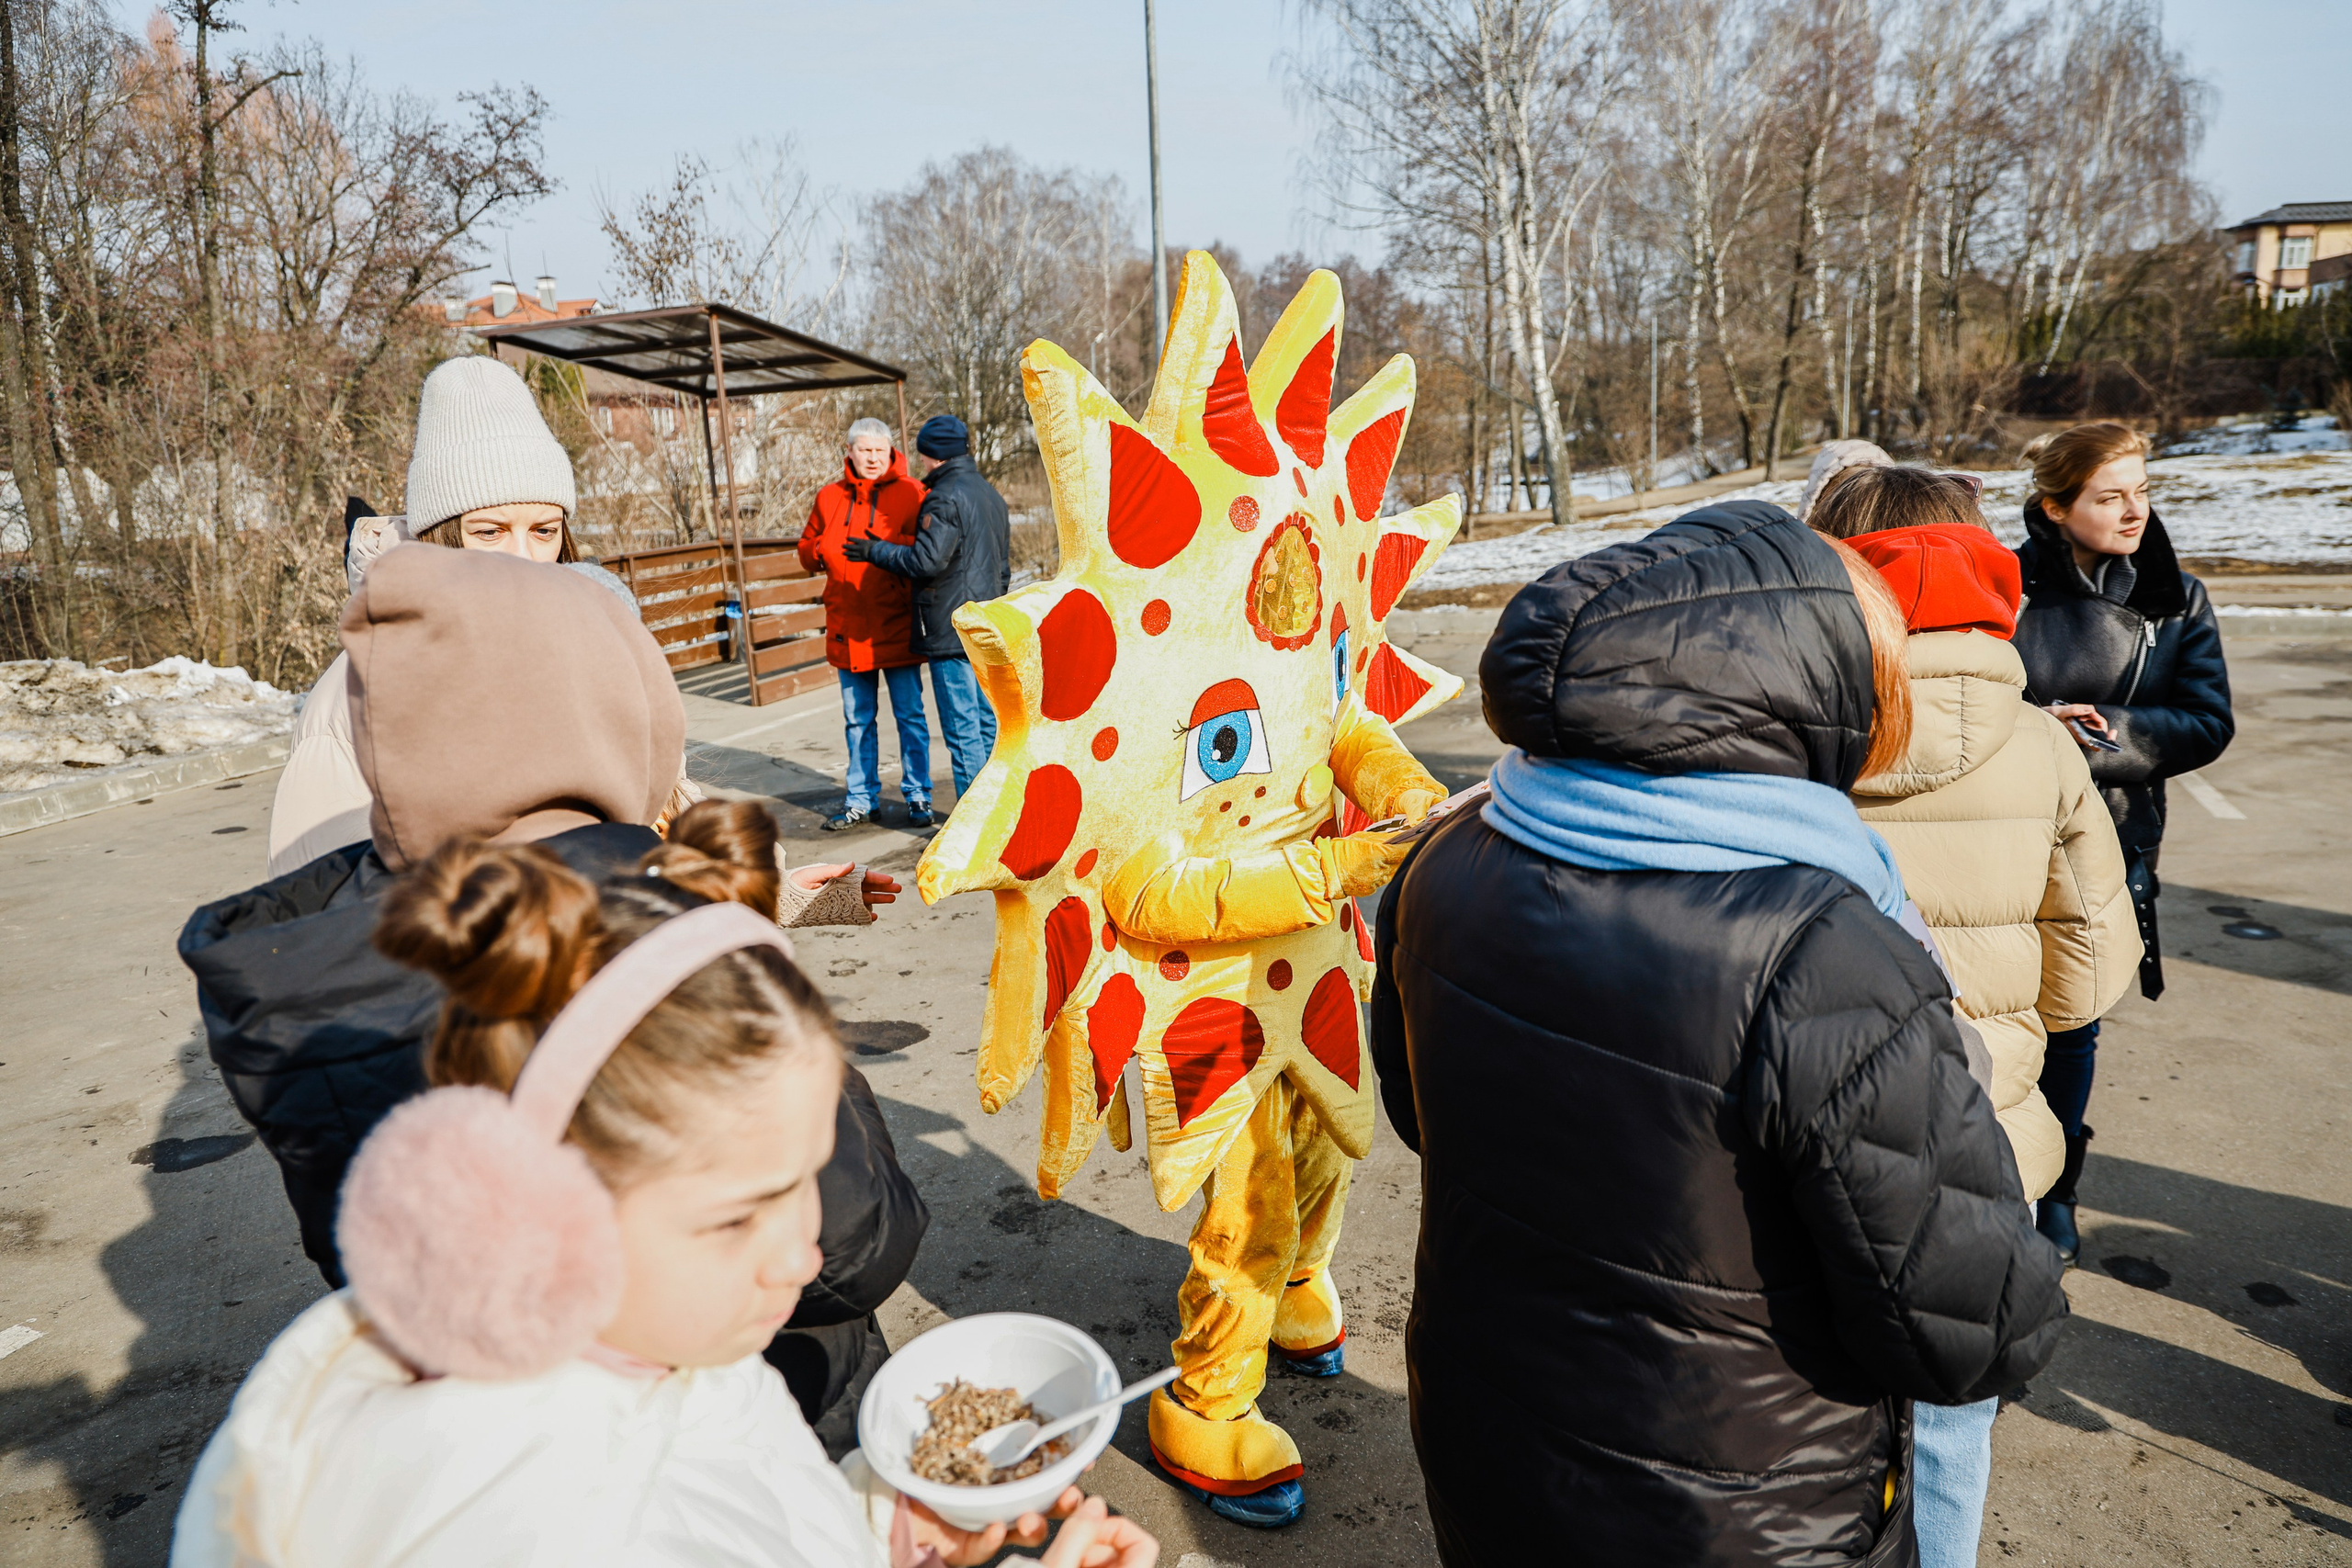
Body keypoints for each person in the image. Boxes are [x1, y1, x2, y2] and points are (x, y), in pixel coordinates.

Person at [1371, 501, 2069, 1567]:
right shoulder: (1823, 948)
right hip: (1735, 1507)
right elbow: (1970, 1331)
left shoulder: (1453, 853)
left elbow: (1424, 1119)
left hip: (1487, 1439)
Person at [170, 837, 1157, 1568]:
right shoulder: (529, 1526)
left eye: (804, 1183)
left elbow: (744, 1520)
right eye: (736, 1215)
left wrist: (883, 1527)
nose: (802, 1259)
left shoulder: (665, 1350)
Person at [183, 547, 913, 1450]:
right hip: (766, 1425)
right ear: (621, 716)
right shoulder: (657, 936)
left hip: (522, 1462)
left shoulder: (321, 972)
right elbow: (853, 1246)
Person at [1815, 466, 2141, 1568]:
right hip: (1978, 1141)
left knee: (1804, 1416)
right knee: (1950, 1413)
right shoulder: (2046, 746)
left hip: (1806, 1134)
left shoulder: (1799, 732)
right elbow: (2088, 975)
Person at [269, 355, 638, 876]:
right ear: (441, 535)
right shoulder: (355, 699)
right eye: (489, 532)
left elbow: (659, 814)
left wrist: (757, 882)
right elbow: (324, 907)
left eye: (544, 530)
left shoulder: (588, 644)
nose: (523, 559)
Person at [2012, 421, 2233, 1263]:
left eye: (2142, 491)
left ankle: (2058, 1188)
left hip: (2112, 838)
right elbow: (1966, 692)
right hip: (2012, 829)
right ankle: (2001, 1182)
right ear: (2056, 506)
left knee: (2072, 1027)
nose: (2135, 510)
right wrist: (2035, 724)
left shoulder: (2178, 596)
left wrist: (2117, 732)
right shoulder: (2007, 589)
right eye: (2111, 496)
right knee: (1999, 1022)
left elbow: (2210, 721)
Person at [848, 413, 1010, 801]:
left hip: (950, 630)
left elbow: (926, 561)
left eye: (922, 454)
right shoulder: (988, 493)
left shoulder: (943, 496)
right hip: (985, 626)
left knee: (961, 730)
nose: (919, 462)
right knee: (989, 725)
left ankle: (972, 830)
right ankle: (1000, 815)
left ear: (933, 454)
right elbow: (1002, 566)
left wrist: (876, 550)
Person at [797, 417, 933, 832]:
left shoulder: (913, 492)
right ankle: (861, 798)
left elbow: (929, 550)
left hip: (896, 623)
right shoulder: (828, 496)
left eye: (880, 451)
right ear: (851, 452)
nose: (873, 458)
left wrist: (885, 550)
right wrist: (818, 548)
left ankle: (918, 794)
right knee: (858, 719)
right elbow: (806, 547)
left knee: (909, 715)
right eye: (865, 450)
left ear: (890, 452)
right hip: (848, 625)